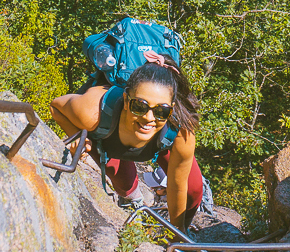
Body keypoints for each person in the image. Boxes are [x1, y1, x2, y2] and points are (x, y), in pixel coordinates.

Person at [50, 60, 204, 229]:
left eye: (161, 111)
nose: (149, 118)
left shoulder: (181, 133)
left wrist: (178, 234)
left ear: (171, 110)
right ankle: (132, 200)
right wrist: (77, 135)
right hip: (110, 134)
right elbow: (56, 106)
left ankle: (183, 229)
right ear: (125, 100)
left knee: (193, 191)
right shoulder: (92, 113)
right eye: (139, 106)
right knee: (123, 180)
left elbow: (178, 186)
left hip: (159, 140)